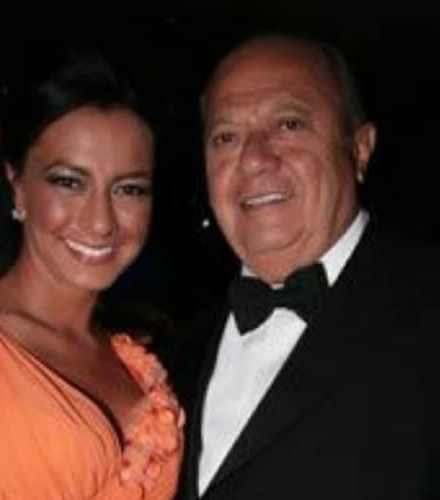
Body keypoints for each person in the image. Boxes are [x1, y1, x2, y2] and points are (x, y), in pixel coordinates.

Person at [173, 34, 439, 499]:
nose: (254, 158)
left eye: (289, 124)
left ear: (359, 148)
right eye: (226, 137)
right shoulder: (172, 357)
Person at [0, 46, 184, 500]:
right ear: (17, 186)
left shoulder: (135, 358)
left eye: (129, 189)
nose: (100, 222)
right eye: (69, 182)